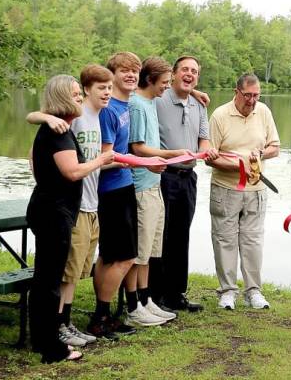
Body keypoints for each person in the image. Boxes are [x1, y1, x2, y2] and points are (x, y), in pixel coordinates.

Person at [26, 74, 114, 363]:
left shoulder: (58, 127)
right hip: (54, 212)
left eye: (80, 93)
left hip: (52, 207)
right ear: (63, 97)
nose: (80, 99)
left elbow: (35, 161)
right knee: (49, 281)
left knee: (46, 279)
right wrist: (101, 160)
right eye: (76, 95)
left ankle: (42, 339)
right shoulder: (58, 131)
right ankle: (51, 347)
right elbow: (72, 172)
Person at [88, 51, 158, 338]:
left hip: (124, 185)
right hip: (111, 191)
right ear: (112, 75)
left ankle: (103, 316)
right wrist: (143, 161)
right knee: (125, 257)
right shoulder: (108, 110)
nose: (131, 75)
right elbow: (105, 158)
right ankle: (100, 316)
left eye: (135, 71)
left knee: (110, 255)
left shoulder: (124, 105)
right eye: (124, 71)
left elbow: (121, 153)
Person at [150, 55, 218, 312]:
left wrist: (207, 150)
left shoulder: (200, 105)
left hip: (188, 178)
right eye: (185, 70)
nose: (190, 75)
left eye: (195, 72)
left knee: (181, 235)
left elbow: (204, 140)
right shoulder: (158, 98)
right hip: (163, 175)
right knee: (161, 235)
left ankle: (176, 293)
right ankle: (155, 295)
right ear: (174, 73)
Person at [127, 57, 192, 324]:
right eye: (164, 82)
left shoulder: (150, 101)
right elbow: (137, 148)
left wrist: (195, 92)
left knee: (152, 250)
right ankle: (135, 307)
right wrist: (172, 155)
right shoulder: (138, 106)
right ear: (150, 79)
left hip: (154, 185)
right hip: (142, 185)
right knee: (141, 251)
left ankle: (147, 299)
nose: (167, 86)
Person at [207, 73, 280, 310]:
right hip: (226, 188)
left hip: (256, 189)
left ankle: (253, 291)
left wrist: (259, 154)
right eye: (247, 95)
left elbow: (275, 147)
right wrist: (240, 165)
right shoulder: (219, 115)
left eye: (256, 95)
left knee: (252, 241)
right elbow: (210, 157)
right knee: (224, 239)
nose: (252, 100)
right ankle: (227, 291)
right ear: (236, 91)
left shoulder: (264, 112)